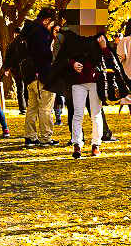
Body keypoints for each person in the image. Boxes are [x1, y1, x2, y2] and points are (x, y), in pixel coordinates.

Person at [45, 27, 116, 159]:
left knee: (96, 114)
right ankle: (77, 144)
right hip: (77, 81)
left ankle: (96, 144)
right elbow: (64, 57)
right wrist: (72, 64)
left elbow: (109, 58)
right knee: (78, 114)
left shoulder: (98, 35)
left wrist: (104, 47)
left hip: (95, 80)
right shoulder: (72, 37)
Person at [20, 7, 59, 148]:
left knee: (32, 108)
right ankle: (45, 137)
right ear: (47, 20)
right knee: (45, 108)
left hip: (29, 75)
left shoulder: (27, 31)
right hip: (42, 75)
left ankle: (30, 136)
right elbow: (44, 55)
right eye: (51, 23)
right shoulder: (42, 33)